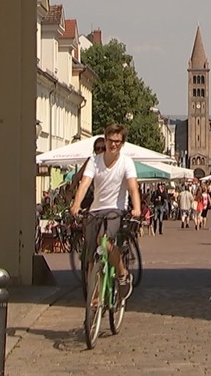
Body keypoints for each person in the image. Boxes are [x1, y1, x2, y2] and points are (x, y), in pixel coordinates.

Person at [70, 125, 142, 300]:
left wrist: (137, 207)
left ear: (122, 143)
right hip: (96, 209)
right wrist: (76, 204)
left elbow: (133, 187)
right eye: (110, 140)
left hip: (115, 208)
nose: (113, 145)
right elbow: (85, 183)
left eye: (117, 141)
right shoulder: (95, 161)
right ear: (106, 139)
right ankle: (94, 295)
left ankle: (122, 273)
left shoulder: (126, 162)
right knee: (91, 255)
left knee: (105, 241)